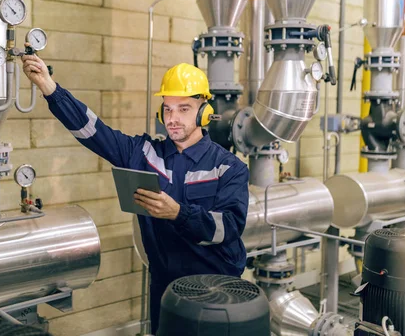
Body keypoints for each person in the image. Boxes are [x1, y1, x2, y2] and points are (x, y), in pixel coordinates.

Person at [21, 54, 249, 334]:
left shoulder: (228, 167)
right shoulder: (144, 153)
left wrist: (178, 213)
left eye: (184, 109)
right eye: (167, 109)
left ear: (204, 112)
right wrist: (50, 87)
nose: (173, 119)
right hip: (165, 286)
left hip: (215, 287)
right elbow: (92, 130)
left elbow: (228, 228)